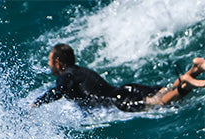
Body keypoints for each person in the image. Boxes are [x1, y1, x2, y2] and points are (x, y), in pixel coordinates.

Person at [33, 44, 205, 111]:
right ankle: (195, 69)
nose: (49, 65)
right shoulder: (81, 71)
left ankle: (187, 85)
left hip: (118, 101)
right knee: (163, 92)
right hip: (124, 89)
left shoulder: (66, 75)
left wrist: (37, 104)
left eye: (50, 61)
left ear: (57, 62)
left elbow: (58, 91)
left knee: (160, 102)